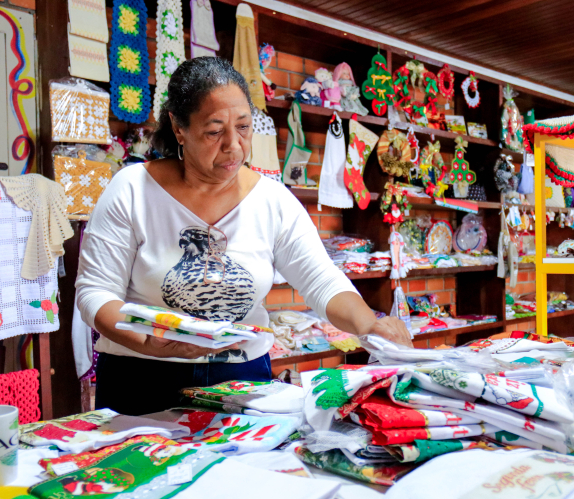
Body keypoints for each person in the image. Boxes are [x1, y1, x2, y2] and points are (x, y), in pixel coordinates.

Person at [75, 57, 411, 416]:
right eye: (214, 130)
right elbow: (95, 292)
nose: (233, 145)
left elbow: (320, 279)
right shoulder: (132, 189)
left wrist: (369, 325)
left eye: (244, 127)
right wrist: (149, 342)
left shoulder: (271, 199)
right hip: (141, 378)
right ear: (178, 128)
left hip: (241, 382)